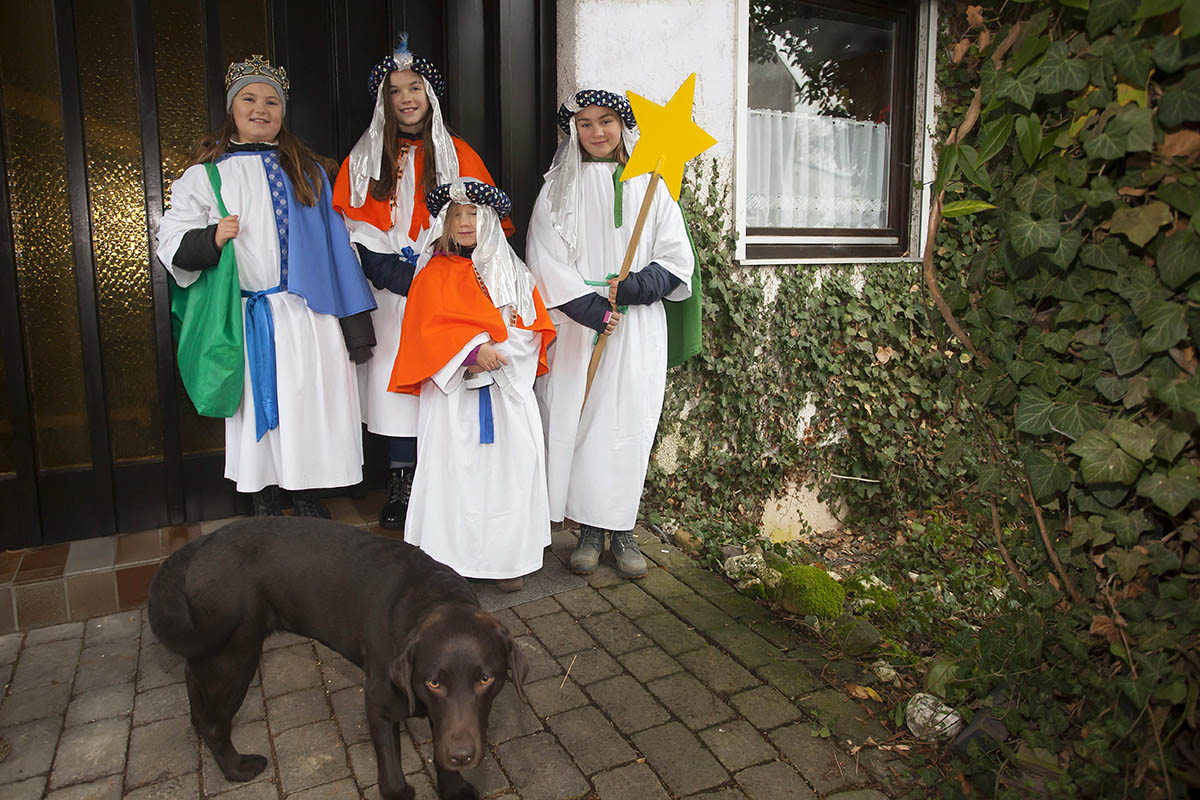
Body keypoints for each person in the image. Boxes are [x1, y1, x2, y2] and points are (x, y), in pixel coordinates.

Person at [157, 55, 376, 517]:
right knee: (257, 407)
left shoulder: (309, 172)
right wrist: (211, 237)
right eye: (250, 99)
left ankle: (307, 492)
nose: (261, 108)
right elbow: (171, 240)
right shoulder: (206, 176)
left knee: (308, 405)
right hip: (249, 315)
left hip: (308, 313)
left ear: (283, 111)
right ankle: (265, 495)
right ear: (232, 108)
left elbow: (339, 247)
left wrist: (356, 328)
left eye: (272, 100)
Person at [333, 35, 511, 530]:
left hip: (448, 291)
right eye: (395, 90)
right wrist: (395, 274)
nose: (406, 97)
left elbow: (486, 228)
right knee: (398, 384)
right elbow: (355, 231)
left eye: (415, 87)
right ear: (384, 101)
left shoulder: (460, 155)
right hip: (391, 295)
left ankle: (444, 476)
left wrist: (441, 271)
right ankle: (401, 477)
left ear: (429, 94)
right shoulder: (365, 159)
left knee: (444, 377)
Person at [526, 89, 696, 579]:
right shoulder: (558, 187)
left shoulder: (652, 183)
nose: (596, 132)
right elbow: (544, 257)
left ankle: (622, 529)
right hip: (582, 324)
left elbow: (676, 256)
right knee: (582, 423)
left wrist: (641, 285)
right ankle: (588, 530)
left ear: (622, 125)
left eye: (606, 121)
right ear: (573, 131)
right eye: (584, 124)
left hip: (636, 323)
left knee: (627, 424)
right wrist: (591, 307)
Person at [389, 179, 555, 592]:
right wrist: (471, 352)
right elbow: (423, 333)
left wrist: (500, 354)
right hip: (453, 400)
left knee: (509, 473)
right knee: (455, 473)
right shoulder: (431, 275)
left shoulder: (515, 273)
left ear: (493, 220)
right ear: (444, 223)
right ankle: (451, 560)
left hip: (506, 395)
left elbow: (530, 327)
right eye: (456, 214)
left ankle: (508, 558)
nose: (465, 222)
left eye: (474, 214)